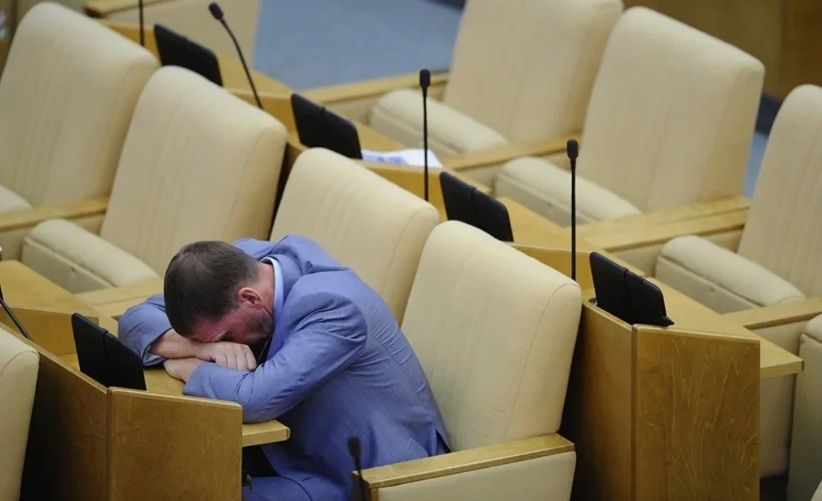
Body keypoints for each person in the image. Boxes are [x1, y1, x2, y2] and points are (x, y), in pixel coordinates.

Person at [119, 236, 450, 501]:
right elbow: (135, 319)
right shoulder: (246, 263)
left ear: (250, 299)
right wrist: (202, 348)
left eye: (226, 336)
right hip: (291, 451)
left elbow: (256, 398)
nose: (228, 346)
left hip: (368, 476)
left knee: (190, 493)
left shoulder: (334, 308)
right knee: (148, 469)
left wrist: (188, 368)